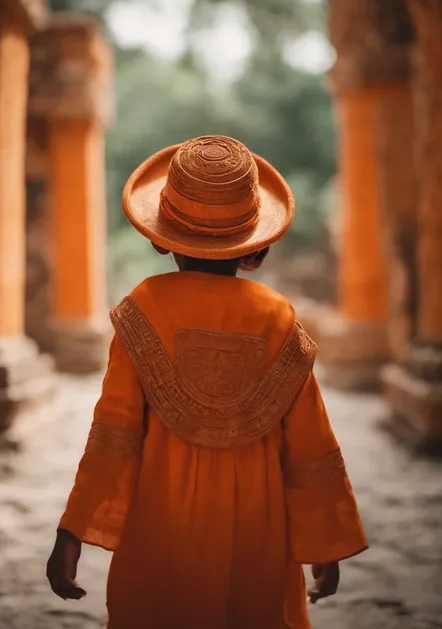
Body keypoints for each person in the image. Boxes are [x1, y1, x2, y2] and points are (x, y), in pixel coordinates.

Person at [47, 135, 368, 629]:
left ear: (159, 237)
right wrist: (322, 539)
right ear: (255, 251)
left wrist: (74, 529)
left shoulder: (143, 310)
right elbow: (310, 445)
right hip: (258, 532)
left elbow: (114, 435)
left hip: (161, 525)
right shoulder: (278, 318)